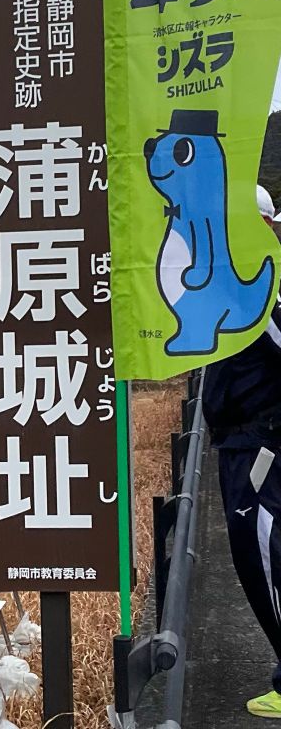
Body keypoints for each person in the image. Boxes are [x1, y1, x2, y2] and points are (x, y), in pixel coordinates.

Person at [203, 184, 281, 718]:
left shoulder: (265, 289)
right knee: (257, 556)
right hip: (244, 441)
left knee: (264, 556)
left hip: (261, 445)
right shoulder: (240, 285)